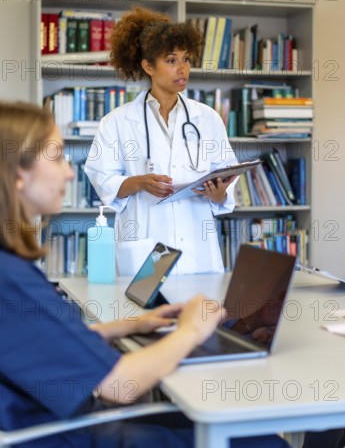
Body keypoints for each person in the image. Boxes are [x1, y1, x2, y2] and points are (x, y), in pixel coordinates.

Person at [0, 100, 290, 448]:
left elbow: (36, 344)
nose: (70, 172)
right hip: (74, 436)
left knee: (214, 416)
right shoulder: (11, 278)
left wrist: (131, 326)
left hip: (67, 423)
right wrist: (190, 332)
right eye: (58, 156)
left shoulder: (10, 270)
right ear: (19, 175)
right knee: (260, 440)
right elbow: (120, 385)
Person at [84, 7, 238, 275]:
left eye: (186, 59)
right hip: (147, 242)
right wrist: (138, 182)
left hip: (197, 246)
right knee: (149, 311)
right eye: (171, 60)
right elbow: (101, 178)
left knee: (200, 313)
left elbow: (227, 173)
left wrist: (219, 193)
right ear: (147, 66)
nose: (182, 69)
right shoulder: (117, 121)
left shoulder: (207, 118)